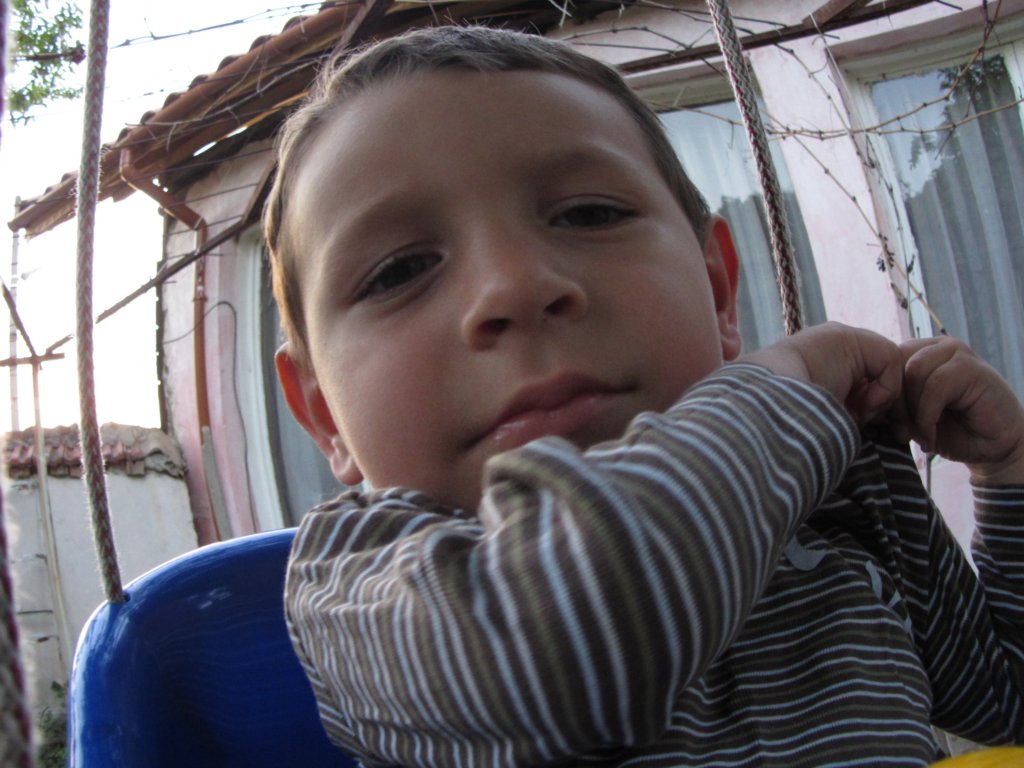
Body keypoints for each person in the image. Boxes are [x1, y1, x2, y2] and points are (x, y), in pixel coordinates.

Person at [262, 25, 1024, 767]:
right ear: (325, 415)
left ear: (718, 291)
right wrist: (785, 383)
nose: (514, 286)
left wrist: (1010, 477)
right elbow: (580, 640)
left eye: (589, 213)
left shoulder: (834, 479)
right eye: (398, 271)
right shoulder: (358, 582)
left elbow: (1006, 698)